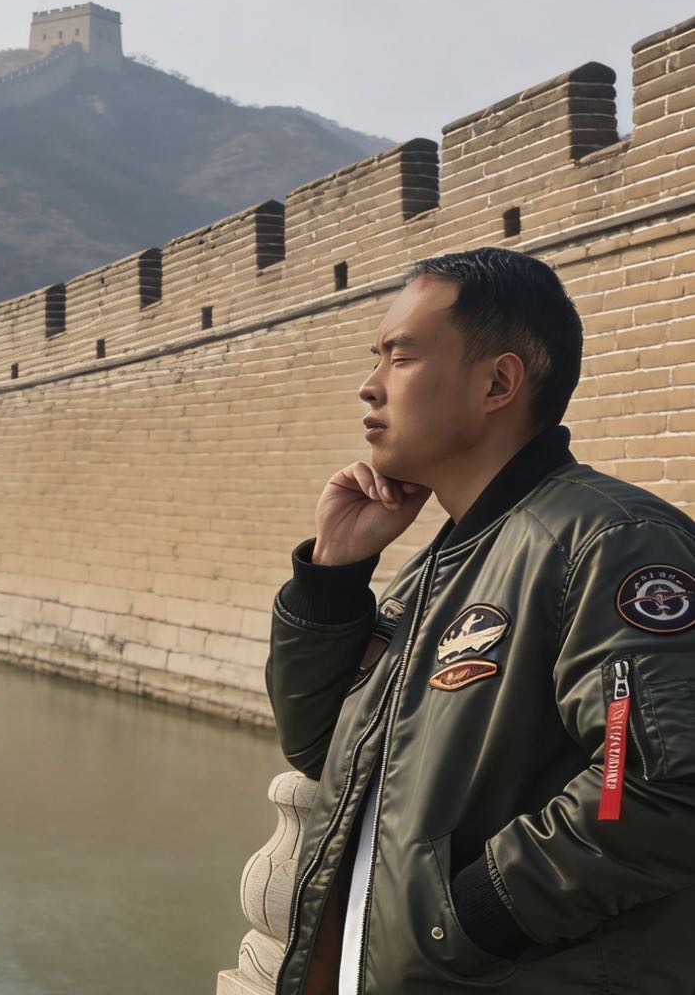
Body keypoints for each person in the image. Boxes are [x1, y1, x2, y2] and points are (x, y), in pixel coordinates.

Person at [266, 246, 695, 993]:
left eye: (401, 358)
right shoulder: (444, 562)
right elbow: (318, 747)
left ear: (498, 382)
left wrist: (466, 917)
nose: (370, 385)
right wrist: (333, 576)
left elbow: (657, 783)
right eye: (377, 359)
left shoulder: (612, 541)